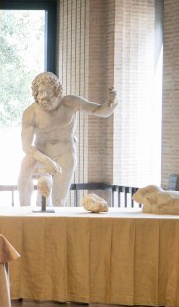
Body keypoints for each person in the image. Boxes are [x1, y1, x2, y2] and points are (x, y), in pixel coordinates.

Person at [18, 72, 118, 207]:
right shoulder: (31, 113)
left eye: (48, 92)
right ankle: (23, 211)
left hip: (65, 153)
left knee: (58, 201)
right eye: (40, 92)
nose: (44, 96)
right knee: (24, 172)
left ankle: (55, 224)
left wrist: (112, 102)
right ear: (35, 93)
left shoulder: (71, 103)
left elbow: (101, 111)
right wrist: (47, 161)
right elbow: (26, 146)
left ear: (56, 91)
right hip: (41, 153)